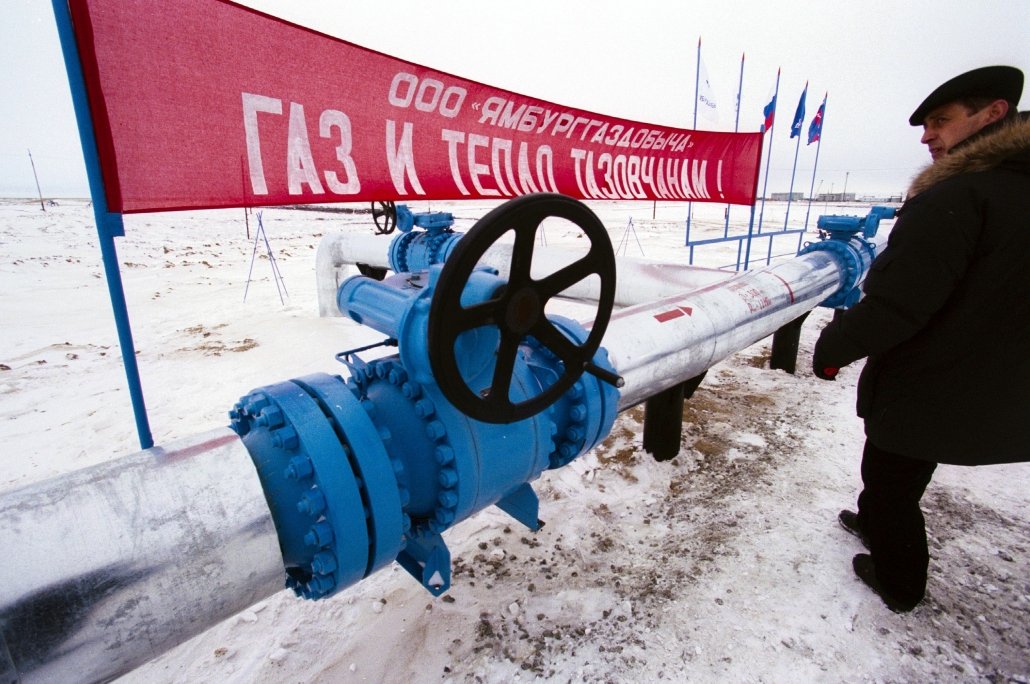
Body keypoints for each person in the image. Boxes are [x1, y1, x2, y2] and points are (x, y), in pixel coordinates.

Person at [811, 65, 1030, 612]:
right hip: (991, 371)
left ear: (994, 113)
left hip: (935, 374)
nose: (927, 136)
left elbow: (899, 303)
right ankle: (874, 521)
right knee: (905, 467)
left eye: (940, 121)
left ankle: (897, 578)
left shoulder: (959, 194)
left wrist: (833, 345)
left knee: (889, 475)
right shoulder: (1016, 188)